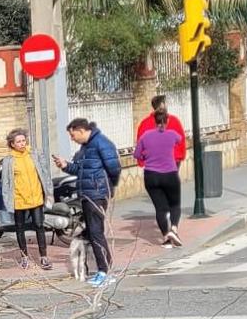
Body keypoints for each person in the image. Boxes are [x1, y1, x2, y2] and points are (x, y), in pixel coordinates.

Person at [61, 116, 122, 285]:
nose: (72, 139)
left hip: (96, 194)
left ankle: (105, 271)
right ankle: (102, 270)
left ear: (81, 131)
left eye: (73, 135)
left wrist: (106, 187)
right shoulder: (86, 147)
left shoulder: (101, 143)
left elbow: (114, 168)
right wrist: (66, 166)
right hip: (88, 194)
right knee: (93, 232)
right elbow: (81, 170)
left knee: (96, 232)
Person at [0, 128, 51, 271]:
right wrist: (8, 200)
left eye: (23, 141)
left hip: (36, 197)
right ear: (12, 144)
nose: (22, 144)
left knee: (39, 225)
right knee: (20, 228)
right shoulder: (9, 161)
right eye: (18, 142)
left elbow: (44, 174)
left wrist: (48, 192)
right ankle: (24, 257)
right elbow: (6, 182)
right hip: (19, 199)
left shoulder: (34, 155)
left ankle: (44, 257)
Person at [133, 95, 185, 246]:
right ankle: (173, 229)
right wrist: (176, 156)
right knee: (174, 203)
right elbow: (180, 140)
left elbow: (138, 152)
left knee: (160, 207)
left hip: (151, 173)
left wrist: (144, 158)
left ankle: (166, 238)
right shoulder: (171, 126)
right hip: (170, 170)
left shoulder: (146, 130)